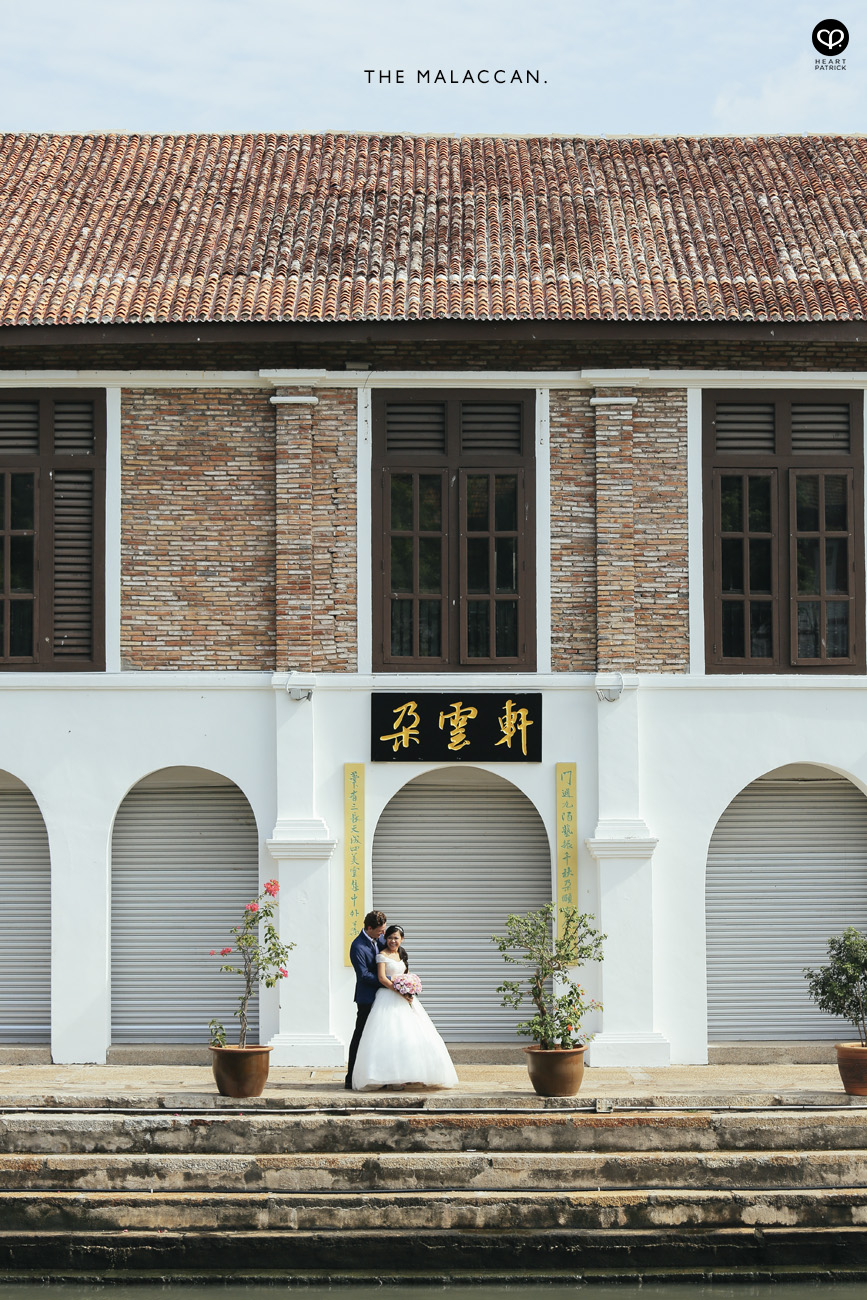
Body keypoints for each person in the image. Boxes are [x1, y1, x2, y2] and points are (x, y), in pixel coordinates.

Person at [351, 924, 458, 1091]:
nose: (393, 941)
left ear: (402, 939)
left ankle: (413, 1074)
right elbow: (382, 978)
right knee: (389, 1036)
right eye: (390, 937)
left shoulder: (401, 954)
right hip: (388, 997)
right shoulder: (381, 955)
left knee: (412, 1035)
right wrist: (401, 991)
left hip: (406, 998)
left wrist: (410, 987)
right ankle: (391, 1077)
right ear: (385, 938)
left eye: (396, 938)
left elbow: (405, 974)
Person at [344, 909, 388, 1090]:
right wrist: (386, 981)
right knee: (360, 1036)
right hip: (366, 999)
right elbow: (363, 976)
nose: (383, 934)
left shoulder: (382, 939)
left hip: (384, 998)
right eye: (380, 931)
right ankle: (351, 1077)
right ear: (369, 928)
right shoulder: (357, 946)